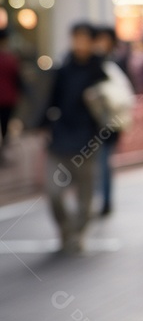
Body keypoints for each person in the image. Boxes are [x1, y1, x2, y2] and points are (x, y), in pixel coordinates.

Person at [38, 22, 107, 253]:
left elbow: (112, 104)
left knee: (85, 194)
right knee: (53, 191)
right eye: (76, 38)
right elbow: (51, 100)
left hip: (88, 141)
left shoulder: (101, 69)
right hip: (60, 140)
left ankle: (78, 234)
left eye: (84, 38)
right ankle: (65, 229)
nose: (79, 43)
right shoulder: (63, 67)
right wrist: (42, 124)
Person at [93, 25, 134, 216]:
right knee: (97, 162)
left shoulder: (114, 62)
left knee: (103, 161)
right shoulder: (92, 62)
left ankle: (104, 200)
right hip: (93, 121)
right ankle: (97, 198)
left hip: (109, 121)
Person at [0, 28, 22, 162]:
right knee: (4, 127)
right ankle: (3, 152)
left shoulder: (11, 58)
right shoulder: (11, 59)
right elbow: (18, 79)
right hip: (8, 99)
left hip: (7, 98)